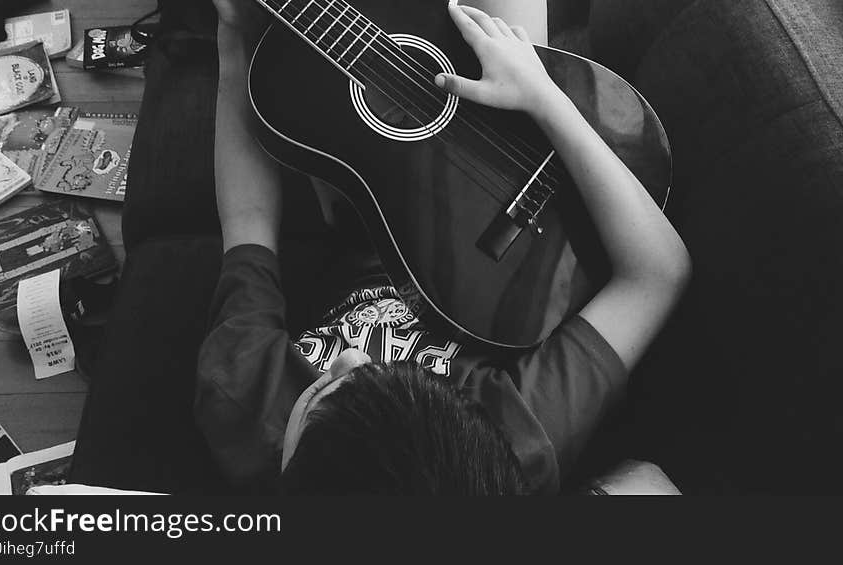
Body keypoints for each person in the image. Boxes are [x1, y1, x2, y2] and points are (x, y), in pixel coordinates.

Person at [195, 0, 691, 495]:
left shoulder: (243, 405)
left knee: (288, 86)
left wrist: (233, 38)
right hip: (498, 225)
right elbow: (657, 274)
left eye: (323, 393)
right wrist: (542, 95)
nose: (349, 360)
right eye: (383, 381)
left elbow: (246, 223)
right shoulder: (513, 443)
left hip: (365, 209)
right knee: (498, 24)